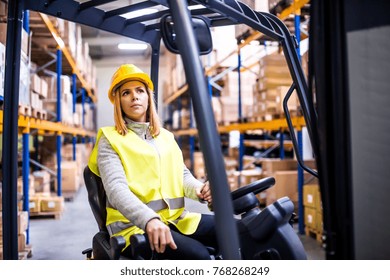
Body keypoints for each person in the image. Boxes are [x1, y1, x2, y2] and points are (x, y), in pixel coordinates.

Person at [88, 64, 218, 260]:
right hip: (134, 227)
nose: (134, 97)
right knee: (199, 256)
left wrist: (201, 190)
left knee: (236, 231)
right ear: (118, 102)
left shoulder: (165, 137)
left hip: (176, 220)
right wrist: (148, 219)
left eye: (140, 90)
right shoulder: (110, 139)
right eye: (126, 93)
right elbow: (116, 190)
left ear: (149, 97)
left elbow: (181, 175)